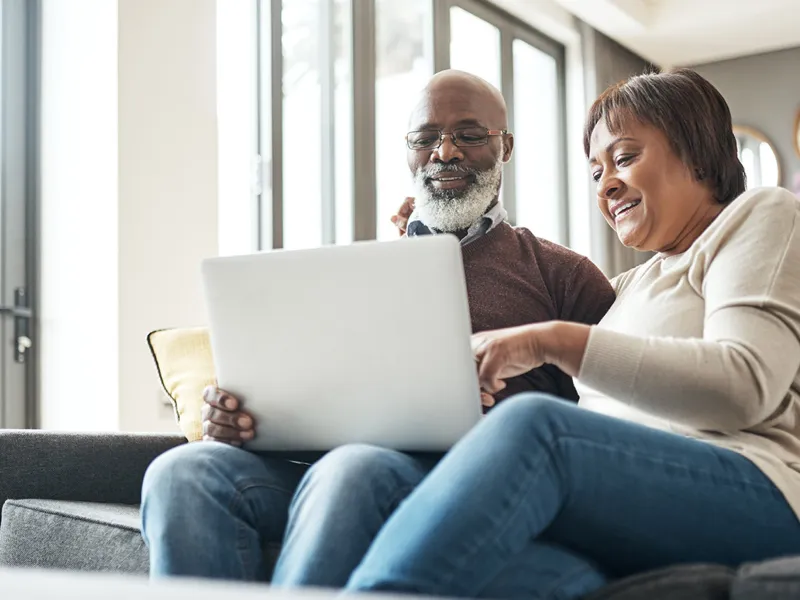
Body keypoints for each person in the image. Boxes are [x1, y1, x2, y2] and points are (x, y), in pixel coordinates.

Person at [333, 68, 800, 599]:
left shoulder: (760, 215)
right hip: (620, 507)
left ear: (696, 152)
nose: (607, 184)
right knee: (371, 478)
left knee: (536, 426)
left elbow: (743, 387)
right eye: (596, 171)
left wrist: (545, 340)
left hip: (753, 492)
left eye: (624, 158)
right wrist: (414, 250)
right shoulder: (624, 290)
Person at [139, 70, 614, 585]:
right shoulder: (350, 271)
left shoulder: (561, 274)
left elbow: (613, 424)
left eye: (470, 136)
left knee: (352, 470)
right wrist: (238, 420)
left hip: (461, 484)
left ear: (506, 147)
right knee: (181, 472)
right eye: (425, 138)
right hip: (325, 469)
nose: (445, 152)